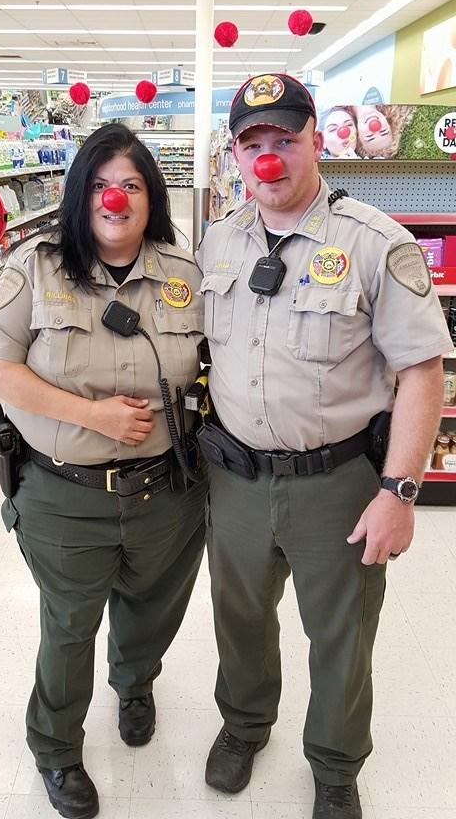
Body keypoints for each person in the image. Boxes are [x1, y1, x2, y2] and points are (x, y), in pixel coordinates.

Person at [195, 73, 453, 819]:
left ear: (315, 141)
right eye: (253, 144)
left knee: (340, 634)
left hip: (338, 482)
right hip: (235, 477)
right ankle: (245, 727)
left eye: (285, 140)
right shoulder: (218, 241)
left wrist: (401, 491)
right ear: (236, 156)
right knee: (239, 618)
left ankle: (336, 765)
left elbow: (422, 371)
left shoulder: (377, 242)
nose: (269, 157)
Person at [0, 123, 207, 819]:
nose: (116, 198)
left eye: (131, 185)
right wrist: (94, 417)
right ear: (78, 194)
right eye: (100, 184)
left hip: (167, 491)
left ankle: (133, 684)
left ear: (151, 198)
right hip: (66, 492)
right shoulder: (33, 266)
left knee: (153, 605)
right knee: (69, 625)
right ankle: (57, 747)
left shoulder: (185, 277)